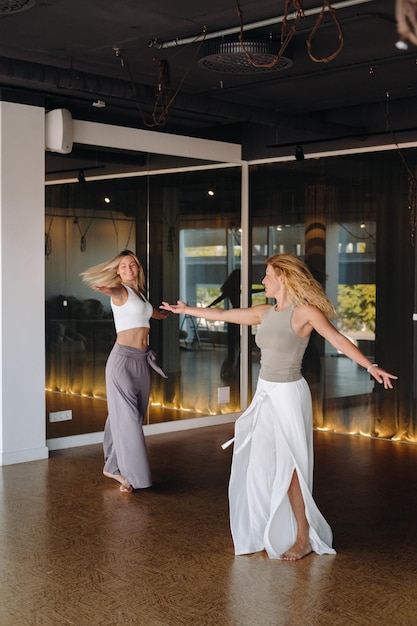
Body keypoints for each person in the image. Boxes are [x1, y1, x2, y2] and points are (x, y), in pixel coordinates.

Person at [160, 253, 397, 560]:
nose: (263, 280)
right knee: (263, 464)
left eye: (268, 274)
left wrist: (370, 366)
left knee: (292, 467)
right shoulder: (265, 312)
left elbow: (338, 340)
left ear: (283, 277)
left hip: (288, 395)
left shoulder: (305, 313)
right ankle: (269, 526)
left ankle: (303, 536)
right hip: (265, 393)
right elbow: (228, 315)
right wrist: (186, 309)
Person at [81, 250, 169, 493]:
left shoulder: (140, 296)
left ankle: (111, 465)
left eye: (133, 265)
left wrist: (171, 311)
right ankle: (134, 477)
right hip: (122, 361)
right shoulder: (121, 291)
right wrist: (107, 289)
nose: (129, 268)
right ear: (117, 271)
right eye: (123, 266)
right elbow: (114, 291)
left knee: (127, 416)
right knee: (129, 421)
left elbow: (154, 314)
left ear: (138, 268)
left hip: (141, 361)